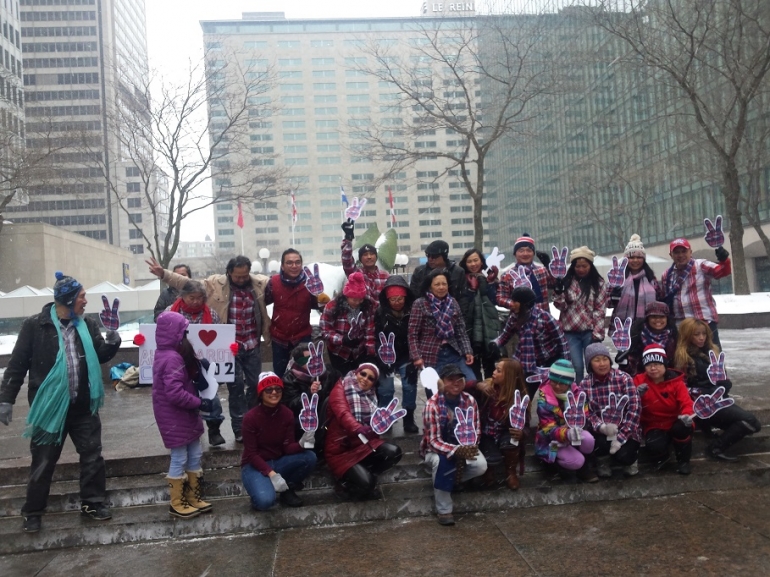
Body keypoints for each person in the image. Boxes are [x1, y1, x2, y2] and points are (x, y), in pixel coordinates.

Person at [0, 272, 121, 533]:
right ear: (67, 299)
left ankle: (93, 502)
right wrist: (6, 399)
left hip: (83, 406)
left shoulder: (86, 324)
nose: (85, 301)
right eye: (81, 297)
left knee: (92, 456)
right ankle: (33, 511)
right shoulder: (35, 325)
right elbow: (17, 365)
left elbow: (99, 355)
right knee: (43, 461)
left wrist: (112, 338)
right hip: (49, 408)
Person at [146, 255, 271, 443]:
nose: (241, 279)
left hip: (250, 344)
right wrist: (163, 273)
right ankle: (233, 428)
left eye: (244, 275)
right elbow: (185, 283)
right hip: (219, 353)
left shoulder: (259, 284)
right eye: (237, 276)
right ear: (229, 273)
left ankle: (249, 424)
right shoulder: (213, 285)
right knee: (231, 388)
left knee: (254, 386)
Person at [152, 311, 215, 518]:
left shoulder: (170, 355)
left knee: (195, 453)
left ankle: (193, 496)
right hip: (175, 416)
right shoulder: (171, 358)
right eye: (184, 331)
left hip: (184, 415)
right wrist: (199, 402)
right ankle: (177, 501)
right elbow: (174, 393)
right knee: (179, 457)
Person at [673, 318, 761, 461]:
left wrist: (723, 383)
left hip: (718, 400)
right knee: (750, 421)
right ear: (688, 336)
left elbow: (723, 382)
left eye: (704, 334)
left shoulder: (712, 353)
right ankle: (715, 448)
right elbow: (681, 387)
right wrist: (705, 394)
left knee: (752, 424)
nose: (701, 338)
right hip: (702, 404)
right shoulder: (684, 357)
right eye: (696, 334)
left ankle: (715, 440)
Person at [420, 364, 488, 526]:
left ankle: (447, 481)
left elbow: (476, 429)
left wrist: (471, 446)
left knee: (481, 466)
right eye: (451, 380)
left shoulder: (469, 400)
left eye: (459, 379)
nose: (456, 383)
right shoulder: (432, 405)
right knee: (441, 463)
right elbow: (433, 442)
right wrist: (457, 451)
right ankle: (444, 510)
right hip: (435, 449)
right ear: (441, 382)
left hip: (463, 446)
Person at [324, 363, 403, 500]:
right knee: (366, 485)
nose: (365, 379)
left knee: (394, 453)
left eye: (371, 378)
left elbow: (372, 430)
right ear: (356, 373)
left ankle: (365, 473)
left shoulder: (371, 396)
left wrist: (378, 426)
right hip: (341, 450)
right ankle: (345, 483)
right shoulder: (340, 388)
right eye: (363, 374)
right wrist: (358, 428)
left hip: (364, 445)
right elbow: (343, 414)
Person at [240, 372, 317, 510]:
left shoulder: (286, 413)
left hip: (278, 461)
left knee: (309, 457)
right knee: (265, 502)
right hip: (254, 465)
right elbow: (251, 454)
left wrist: (302, 443)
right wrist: (271, 474)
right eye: (269, 389)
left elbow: (287, 447)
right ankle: (260, 491)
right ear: (261, 393)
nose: (274, 392)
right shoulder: (250, 418)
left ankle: (288, 489)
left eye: (278, 389)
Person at [165, 280, 225, 447]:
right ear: (183, 296)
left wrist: (229, 348)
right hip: (179, 363)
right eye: (192, 297)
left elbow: (220, 337)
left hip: (204, 364)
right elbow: (160, 334)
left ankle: (214, 429)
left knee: (211, 394)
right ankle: (186, 430)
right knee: (184, 397)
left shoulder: (211, 314)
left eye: (200, 298)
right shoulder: (170, 313)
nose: (196, 301)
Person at [491, 286, 570, 396]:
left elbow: (561, 341)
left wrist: (565, 366)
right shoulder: (514, 317)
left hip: (548, 361)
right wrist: (495, 344)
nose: (511, 304)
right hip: (526, 361)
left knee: (553, 394)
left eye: (515, 301)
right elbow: (505, 335)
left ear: (524, 304)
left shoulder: (545, 318)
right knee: (524, 393)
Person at [581, 343, 641, 478]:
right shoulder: (585, 384)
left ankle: (630, 460)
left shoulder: (624, 378)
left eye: (605, 359)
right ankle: (603, 461)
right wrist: (601, 427)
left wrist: (621, 437)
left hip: (626, 429)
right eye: (597, 360)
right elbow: (586, 412)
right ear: (590, 364)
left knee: (625, 455)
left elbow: (634, 409)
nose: (602, 363)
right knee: (599, 444)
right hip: (602, 431)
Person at [408, 268, 475, 389]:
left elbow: (461, 330)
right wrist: (416, 356)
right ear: (430, 286)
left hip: (453, 351)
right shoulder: (420, 304)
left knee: (470, 382)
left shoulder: (453, 302)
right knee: (436, 390)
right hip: (431, 354)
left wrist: (467, 351)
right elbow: (412, 334)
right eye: (437, 284)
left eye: (444, 284)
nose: (441, 287)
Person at [632, 345, 694, 475]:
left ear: (665, 365)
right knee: (654, 445)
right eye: (649, 365)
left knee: (682, 428)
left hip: (675, 420)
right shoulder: (638, 381)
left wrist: (687, 415)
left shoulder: (676, 382)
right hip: (653, 423)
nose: (653, 368)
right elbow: (628, 402)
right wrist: (636, 395)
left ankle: (684, 460)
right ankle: (663, 458)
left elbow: (686, 402)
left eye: (657, 364)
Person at [660, 238, 731, 347]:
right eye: (677, 252)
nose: (681, 255)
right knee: (686, 361)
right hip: (682, 326)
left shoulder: (701, 265)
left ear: (690, 252)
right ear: (671, 255)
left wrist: (724, 260)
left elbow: (722, 271)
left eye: (684, 251)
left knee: (712, 358)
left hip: (704, 323)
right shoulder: (667, 275)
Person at [535, 360, 597, 483]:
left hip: (574, 431)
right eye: (554, 381)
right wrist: (566, 433)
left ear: (569, 383)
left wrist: (579, 426)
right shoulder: (544, 399)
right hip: (550, 439)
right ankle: (552, 465)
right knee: (575, 461)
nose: (557, 386)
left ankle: (585, 467)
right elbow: (548, 429)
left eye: (562, 383)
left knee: (589, 440)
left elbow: (585, 415)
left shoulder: (578, 394)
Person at [553, 246, 609, 382]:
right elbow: (561, 306)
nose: (581, 269)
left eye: (585, 266)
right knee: (576, 366)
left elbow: (600, 310)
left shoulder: (599, 284)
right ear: (573, 266)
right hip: (570, 331)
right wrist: (559, 292)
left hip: (590, 331)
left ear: (590, 265)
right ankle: (577, 394)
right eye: (578, 266)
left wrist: (597, 333)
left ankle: (594, 391)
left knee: (593, 366)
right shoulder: (566, 282)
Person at [472, 358, 529, 490]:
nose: (494, 373)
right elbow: (467, 386)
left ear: (508, 376)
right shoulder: (488, 387)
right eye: (495, 369)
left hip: (505, 432)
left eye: (498, 371)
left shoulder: (519, 396)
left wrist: (522, 432)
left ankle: (510, 472)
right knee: (491, 457)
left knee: (512, 443)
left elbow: (525, 423)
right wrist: (478, 385)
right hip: (487, 432)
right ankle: (488, 471)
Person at [374, 276, 419, 432]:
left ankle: (408, 418)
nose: (397, 302)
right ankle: (385, 416)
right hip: (386, 355)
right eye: (393, 299)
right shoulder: (380, 313)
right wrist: (380, 359)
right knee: (386, 389)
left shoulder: (413, 311)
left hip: (407, 355)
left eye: (400, 299)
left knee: (409, 386)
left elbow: (417, 335)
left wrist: (415, 357)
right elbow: (375, 336)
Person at [265, 249, 318, 379]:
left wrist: (320, 296)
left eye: (297, 262)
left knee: (305, 374)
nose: (294, 266)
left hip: (302, 336)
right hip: (279, 337)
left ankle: (302, 399)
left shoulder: (309, 282)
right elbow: (262, 302)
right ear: (282, 266)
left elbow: (319, 306)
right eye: (289, 263)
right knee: (280, 374)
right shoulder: (274, 282)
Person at [281, 342, 340, 444]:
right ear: (299, 362)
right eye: (308, 359)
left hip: (329, 413)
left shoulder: (329, 371)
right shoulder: (289, 379)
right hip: (306, 418)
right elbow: (291, 405)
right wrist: (309, 394)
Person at [319, 271, 377, 375]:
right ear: (346, 295)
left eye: (360, 299)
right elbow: (325, 330)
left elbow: (370, 332)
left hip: (359, 352)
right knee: (341, 382)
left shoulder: (367, 306)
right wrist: (343, 340)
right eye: (354, 299)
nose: (358, 302)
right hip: (338, 352)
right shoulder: (332, 306)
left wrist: (370, 353)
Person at [458, 248, 501, 380]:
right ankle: (476, 399)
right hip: (470, 330)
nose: (473, 264)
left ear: (482, 262)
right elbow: (462, 307)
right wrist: (471, 290)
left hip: (488, 328)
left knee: (491, 370)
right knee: (474, 372)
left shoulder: (487, 278)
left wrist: (492, 282)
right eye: (469, 261)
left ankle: (490, 399)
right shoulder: (461, 280)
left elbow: (494, 301)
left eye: (476, 260)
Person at [608, 234, 659, 329]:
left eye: (639, 257)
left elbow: (659, 299)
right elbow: (607, 303)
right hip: (623, 328)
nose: (635, 260)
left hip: (647, 327)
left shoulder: (651, 279)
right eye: (631, 257)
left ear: (644, 259)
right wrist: (614, 295)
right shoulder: (618, 278)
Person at [497, 233, 554, 313]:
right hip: (519, 319)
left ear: (533, 253)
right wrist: (513, 304)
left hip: (543, 317)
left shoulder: (542, 271)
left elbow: (555, 284)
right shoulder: (507, 275)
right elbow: (500, 297)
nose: (525, 254)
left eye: (529, 250)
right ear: (515, 254)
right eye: (521, 251)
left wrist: (549, 266)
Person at [409, 240, 468, 315]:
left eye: (434, 256)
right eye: (428, 255)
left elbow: (463, 298)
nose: (430, 259)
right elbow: (413, 295)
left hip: (452, 315)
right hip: (425, 315)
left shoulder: (458, 272)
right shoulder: (420, 272)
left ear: (444, 256)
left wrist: (459, 316)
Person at [619, 301, 678, 377]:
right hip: (641, 378)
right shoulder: (635, 336)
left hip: (667, 378)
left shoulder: (674, 337)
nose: (658, 320)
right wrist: (624, 363)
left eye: (662, 317)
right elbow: (629, 367)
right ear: (647, 318)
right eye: (654, 317)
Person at [341, 219, 390, 304]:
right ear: (360, 259)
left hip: (382, 316)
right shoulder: (356, 274)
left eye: (371, 254)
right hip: (363, 315)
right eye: (365, 255)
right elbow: (346, 260)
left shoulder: (386, 276)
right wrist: (348, 239)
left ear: (376, 256)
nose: (369, 257)